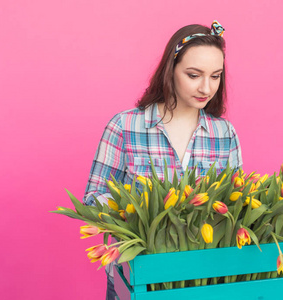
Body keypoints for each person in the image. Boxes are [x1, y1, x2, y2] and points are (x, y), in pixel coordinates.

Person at [82, 20, 243, 300]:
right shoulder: (124, 126)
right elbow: (94, 196)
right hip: (137, 277)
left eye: (215, 76)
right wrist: (139, 212)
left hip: (202, 281)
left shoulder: (224, 134)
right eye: (194, 75)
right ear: (171, 70)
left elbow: (235, 204)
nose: (206, 87)